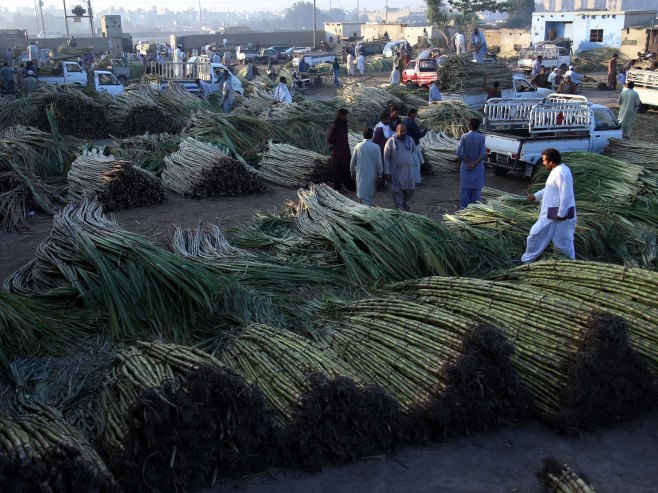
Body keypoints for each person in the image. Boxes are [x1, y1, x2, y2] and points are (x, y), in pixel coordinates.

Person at [519, 148, 576, 263]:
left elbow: (566, 194)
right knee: (558, 241)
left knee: (557, 240)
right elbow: (550, 188)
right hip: (553, 213)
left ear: (551, 161)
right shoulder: (557, 171)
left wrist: (561, 213)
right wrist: (536, 196)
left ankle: (569, 263)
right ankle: (527, 260)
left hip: (558, 215)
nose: (543, 163)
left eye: (544, 160)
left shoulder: (561, 172)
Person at [384, 124, 416, 211]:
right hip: (396, 172)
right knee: (397, 192)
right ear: (396, 132)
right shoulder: (390, 142)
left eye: (405, 131)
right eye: (401, 131)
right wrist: (387, 172)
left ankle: (403, 204)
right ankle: (401, 214)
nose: (403, 133)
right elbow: (386, 158)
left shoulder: (410, 140)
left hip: (408, 171)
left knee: (411, 190)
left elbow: (413, 151)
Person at [456, 118, 486, 209]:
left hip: (466, 167)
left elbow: (458, 153)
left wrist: (469, 162)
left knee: (465, 190)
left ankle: (463, 212)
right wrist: (474, 163)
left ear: (469, 126)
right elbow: (483, 154)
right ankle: (474, 213)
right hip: (477, 167)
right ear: (478, 126)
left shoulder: (464, 136)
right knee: (477, 192)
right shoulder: (481, 137)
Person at [350, 127, 384, 206]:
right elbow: (379, 163)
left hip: (360, 174)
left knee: (361, 196)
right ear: (372, 136)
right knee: (370, 196)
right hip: (372, 175)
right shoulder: (376, 147)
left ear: (363, 135)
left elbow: (352, 162)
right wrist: (380, 174)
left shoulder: (358, 146)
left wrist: (352, 172)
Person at [327, 108, 355, 192]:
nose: (346, 117)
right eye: (344, 115)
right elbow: (330, 139)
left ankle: (348, 185)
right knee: (338, 169)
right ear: (340, 115)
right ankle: (338, 186)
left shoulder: (344, 124)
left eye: (346, 115)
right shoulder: (335, 126)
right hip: (338, 151)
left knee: (346, 168)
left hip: (345, 149)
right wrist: (336, 143)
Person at [403, 108, 427, 185]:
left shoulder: (405, 121)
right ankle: (416, 181)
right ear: (412, 114)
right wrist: (425, 130)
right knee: (416, 163)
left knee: (410, 163)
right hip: (414, 146)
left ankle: (410, 179)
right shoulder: (412, 123)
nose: (416, 116)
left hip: (406, 145)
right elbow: (419, 135)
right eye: (415, 114)